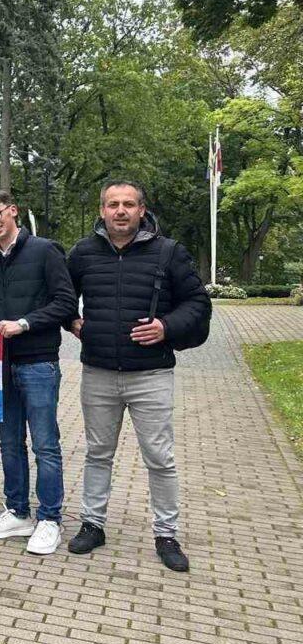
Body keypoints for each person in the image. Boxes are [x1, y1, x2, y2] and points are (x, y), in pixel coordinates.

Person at [65, 181, 211, 572]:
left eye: (128, 204)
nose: (120, 211)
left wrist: (166, 326)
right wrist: (71, 319)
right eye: (113, 204)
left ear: (142, 210)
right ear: (102, 210)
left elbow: (197, 302)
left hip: (151, 374)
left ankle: (166, 534)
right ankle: (92, 524)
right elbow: (60, 295)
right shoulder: (83, 252)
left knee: (160, 458)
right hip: (98, 372)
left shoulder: (168, 252)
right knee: (98, 454)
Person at [0, 189, 77, 556]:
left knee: (45, 444)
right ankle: (18, 512)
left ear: (13, 211)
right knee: (9, 443)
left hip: (38, 362)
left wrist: (25, 323)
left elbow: (65, 302)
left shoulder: (45, 250)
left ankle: (50, 518)